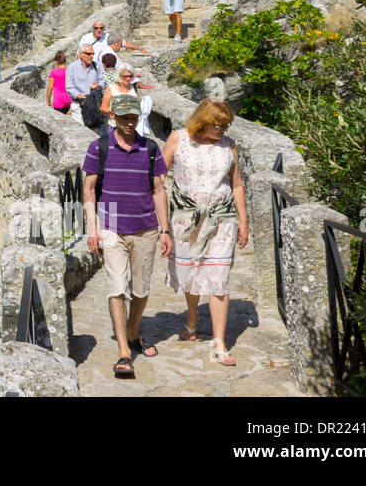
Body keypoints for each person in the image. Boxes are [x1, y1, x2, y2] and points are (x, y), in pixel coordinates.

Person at [82, 94, 172, 378]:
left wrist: (166, 230)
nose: (130, 123)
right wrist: (92, 228)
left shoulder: (151, 149)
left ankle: (133, 332)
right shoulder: (99, 148)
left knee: (141, 291)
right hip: (111, 227)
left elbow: (159, 190)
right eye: (124, 118)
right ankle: (124, 351)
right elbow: (88, 191)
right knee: (117, 288)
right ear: (114, 119)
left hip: (146, 229)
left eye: (133, 118)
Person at [164, 98, 249, 366]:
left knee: (219, 277)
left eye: (227, 125)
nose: (224, 129)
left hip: (222, 220)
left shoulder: (229, 145)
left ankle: (219, 342)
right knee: (191, 272)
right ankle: (192, 318)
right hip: (187, 221)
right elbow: (157, 177)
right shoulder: (178, 139)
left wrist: (243, 222)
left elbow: (236, 185)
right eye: (219, 125)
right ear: (202, 121)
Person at [65, 44, 100, 126]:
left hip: (94, 104)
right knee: (80, 131)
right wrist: (79, 96)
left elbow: (102, 82)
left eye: (93, 54)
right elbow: (69, 87)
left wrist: (98, 86)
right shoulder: (72, 67)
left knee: (94, 131)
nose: (91, 56)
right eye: (88, 54)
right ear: (81, 54)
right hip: (79, 105)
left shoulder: (96, 66)